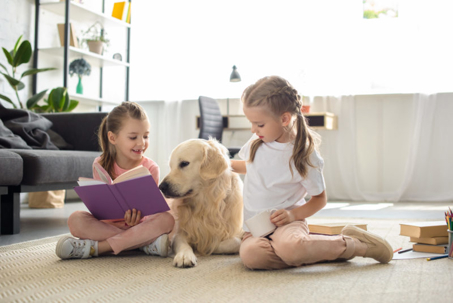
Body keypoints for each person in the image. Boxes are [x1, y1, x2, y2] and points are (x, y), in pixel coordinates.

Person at [231, 76, 393, 270]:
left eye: (259, 124)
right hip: (256, 229)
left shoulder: (304, 156)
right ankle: (316, 252)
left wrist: (292, 216)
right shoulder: (257, 142)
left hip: (287, 225)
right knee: (252, 257)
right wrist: (223, 165)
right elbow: (252, 168)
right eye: (252, 123)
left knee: (291, 248)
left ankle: (356, 245)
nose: (253, 129)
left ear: (284, 119)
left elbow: (319, 199)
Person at [56, 102, 175, 260]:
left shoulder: (151, 168)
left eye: (146, 136)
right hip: (109, 226)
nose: (141, 143)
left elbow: (151, 211)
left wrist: (138, 219)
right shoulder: (99, 164)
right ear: (113, 138)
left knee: (166, 220)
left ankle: (97, 248)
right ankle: (144, 245)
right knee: (75, 219)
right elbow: (100, 209)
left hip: (139, 226)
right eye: (133, 137)